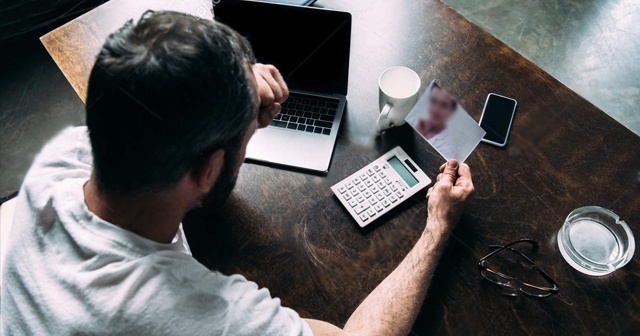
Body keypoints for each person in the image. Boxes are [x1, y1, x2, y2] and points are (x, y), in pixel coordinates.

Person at [1, 11, 474, 335]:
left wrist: (229, 98)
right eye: (246, 141)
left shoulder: (63, 159)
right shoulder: (206, 315)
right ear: (207, 170)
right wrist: (438, 227)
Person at [409, 83, 457, 159]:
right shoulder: (410, 120)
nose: (436, 109)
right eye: (433, 101)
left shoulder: (449, 149)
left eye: (443, 105)